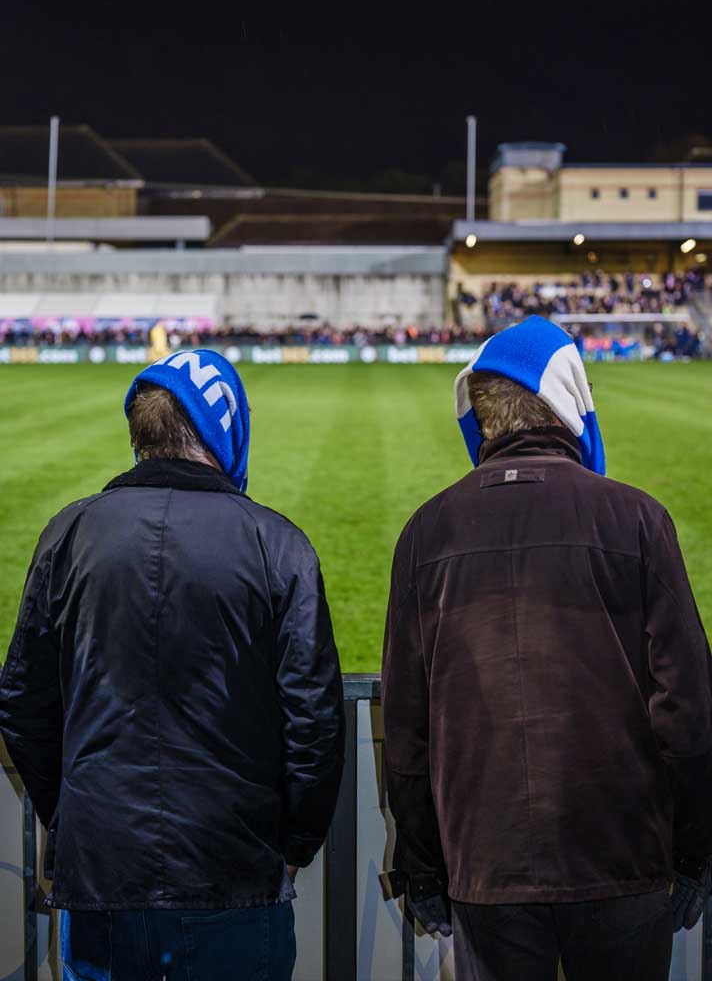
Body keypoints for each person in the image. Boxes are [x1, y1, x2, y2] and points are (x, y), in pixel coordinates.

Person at [382, 316, 712, 981]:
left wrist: (422, 865)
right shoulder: (638, 518)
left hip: (486, 863)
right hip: (623, 858)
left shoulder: (427, 531)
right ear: (570, 401)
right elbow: (688, 712)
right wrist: (693, 854)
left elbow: (407, 728)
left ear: (479, 416)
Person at [0, 348, 344, 981]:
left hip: (101, 873)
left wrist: (76, 817)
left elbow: (23, 705)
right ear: (226, 429)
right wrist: (293, 847)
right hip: (235, 876)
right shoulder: (278, 543)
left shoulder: (68, 533)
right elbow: (315, 724)